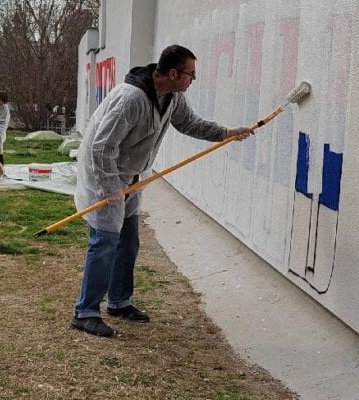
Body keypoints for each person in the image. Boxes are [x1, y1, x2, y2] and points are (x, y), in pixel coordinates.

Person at [71, 44, 253, 338]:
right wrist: (111, 189)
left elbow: (190, 124)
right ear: (173, 73)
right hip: (103, 173)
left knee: (128, 241)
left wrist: (225, 133)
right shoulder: (131, 100)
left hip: (131, 175)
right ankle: (85, 312)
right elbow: (101, 147)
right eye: (190, 75)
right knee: (105, 242)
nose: (193, 80)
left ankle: (118, 301)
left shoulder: (172, 98)